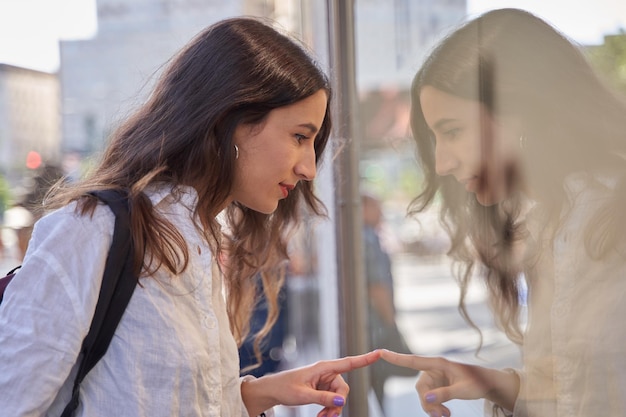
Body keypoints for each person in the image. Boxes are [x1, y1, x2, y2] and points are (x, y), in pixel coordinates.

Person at [0, 17, 381, 417]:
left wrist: (263, 393)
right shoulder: (92, 231)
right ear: (230, 119)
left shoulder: (202, 240)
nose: (309, 169)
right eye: (300, 137)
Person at [380, 8, 626, 417]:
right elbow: (579, 392)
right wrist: (492, 384)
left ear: (522, 111)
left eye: (453, 131)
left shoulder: (611, 216)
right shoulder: (549, 229)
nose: (442, 163)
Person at [361, 193, 417, 411]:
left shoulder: (361, 235)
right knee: (376, 381)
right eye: (376, 207)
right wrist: (390, 320)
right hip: (375, 326)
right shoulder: (367, 237)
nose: (381, 213)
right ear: (363, 209)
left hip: (367, 325)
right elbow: (377, 286)